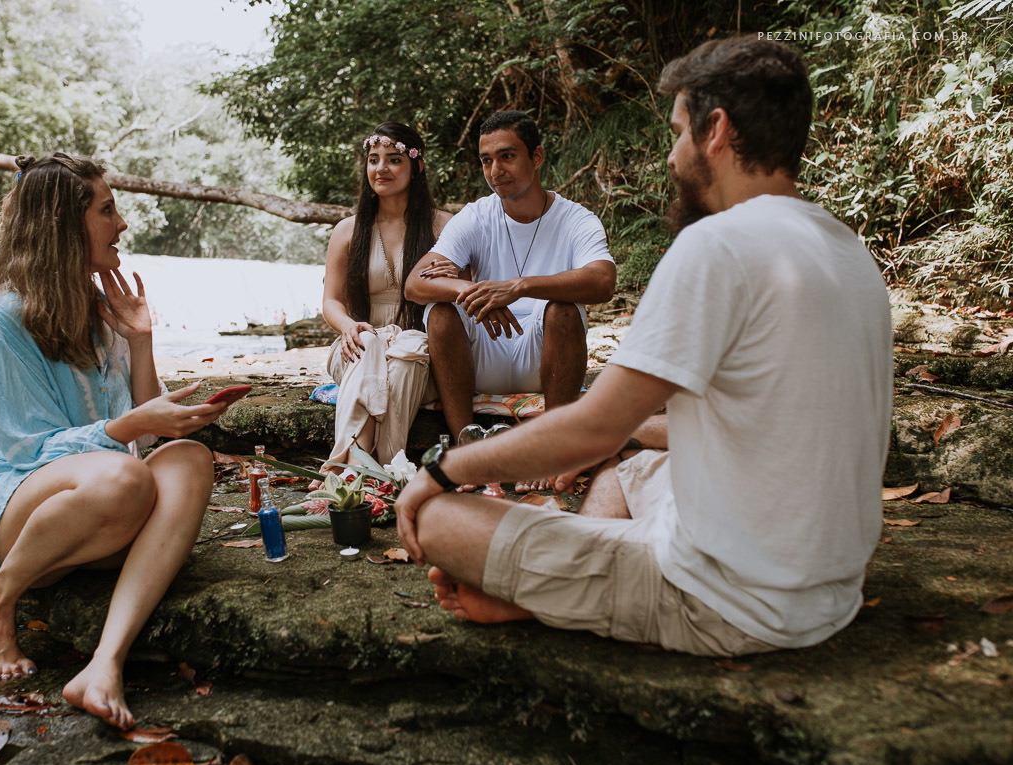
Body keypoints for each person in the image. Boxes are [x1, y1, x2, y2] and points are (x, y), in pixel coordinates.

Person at [395, 37, 893, 657]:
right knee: (632, 471)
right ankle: (562, 578)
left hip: (733, 602)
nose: (671, 156)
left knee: (439, 518)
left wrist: (440, 471)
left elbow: (594, 428)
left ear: (717, 131)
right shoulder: (848, 250)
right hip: (831, 587)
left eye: (679, 132)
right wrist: (630, 435)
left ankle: (543, 594)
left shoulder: (718, 246)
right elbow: (757, 420)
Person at [0, 153, 225, 729]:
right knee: (124, 471)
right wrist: (122, 432)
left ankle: (105, 664)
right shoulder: (7, 317)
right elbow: (23, 451)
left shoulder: (99, 307)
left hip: (106, 508)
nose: (121, 224)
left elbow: (148, 427)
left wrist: (139, 339)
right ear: (65, 225)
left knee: (188, 459)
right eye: (108, 210)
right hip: (21, 514)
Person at [404, 110, 616, 492]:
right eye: (486, 160)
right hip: (482, 354)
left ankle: (553, 447)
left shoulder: (575, 219)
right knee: (439, 312)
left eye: (507, 156)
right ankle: (467, 449)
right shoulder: (476, 216)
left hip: (546, 357)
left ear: (536, 157)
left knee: (564, 309)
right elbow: (415, 282)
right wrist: (469, 290)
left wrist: (517, 287)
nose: (495, 170)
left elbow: (603, 281)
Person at [322, 122, 451, 468]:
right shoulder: (347, 231)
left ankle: (355, 468)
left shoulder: (443, 228)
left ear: (416, 166)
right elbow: (331, 301)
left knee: (409, 350)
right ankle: (386, 468)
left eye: (394, 160)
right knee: (370, 344)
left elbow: (459, 294)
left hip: (422, 354)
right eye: (373, 159)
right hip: (357, 347)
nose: (380, 169)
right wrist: (349, 326)